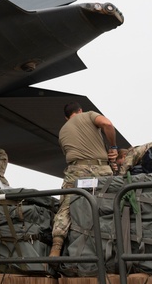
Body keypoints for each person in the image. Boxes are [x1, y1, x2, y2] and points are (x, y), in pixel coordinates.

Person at [50, 102, 118, 256]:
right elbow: (107, 123)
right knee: (110, 202)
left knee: (66, 208)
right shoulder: (88, 115)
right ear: (80, 110)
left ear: (66, 117)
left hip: (75, 170)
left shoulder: (62, 131)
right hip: (100, 169)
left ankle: (56, 247)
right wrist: (113, 146)